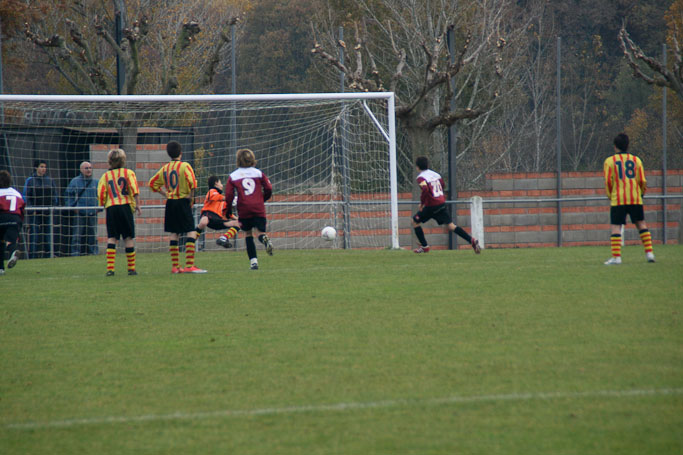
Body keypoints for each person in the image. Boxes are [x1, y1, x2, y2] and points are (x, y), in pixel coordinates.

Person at [149, 141, 207, 274]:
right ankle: (189, 265)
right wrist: (191, 197)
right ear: (181, 153)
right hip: (182, 201)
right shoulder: (185, 166)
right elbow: (192, 183)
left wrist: (165, 194)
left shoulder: (165, 168)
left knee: (174, 233)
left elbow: (152, 183)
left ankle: (175, 266)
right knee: (190, 230)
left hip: (171, 202)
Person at [603, 133, 655, 265]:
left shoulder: (609, 161)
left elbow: (608, 181)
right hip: (635, 198)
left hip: (618, 199)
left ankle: (617, 257)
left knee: (616, 226)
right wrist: (641, 194)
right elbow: (642, 180)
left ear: (615, 146)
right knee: (641, 224)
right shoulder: (636, 160)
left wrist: (610, 195)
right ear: (628, 145)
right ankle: (649, 254)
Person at [412, 156, 481, 254]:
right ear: (427, 165)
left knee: (415, 221)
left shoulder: (421, 177)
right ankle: (472, 240)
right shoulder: (436, 174)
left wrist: (422, 203)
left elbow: (425, 189)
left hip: (431, 205)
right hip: (441, 203)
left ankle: (425, 246)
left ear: (417, 167)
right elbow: (442, 185)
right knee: (451, 226)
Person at [224, 148, 273, 270]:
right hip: (258, 207)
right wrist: (262, 199)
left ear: (238, 160)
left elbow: (229, 195)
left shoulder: (233, 176)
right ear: (252, 159)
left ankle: (253, 262)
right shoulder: (258, 173)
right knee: (260, 233)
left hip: (244, 208)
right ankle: (264, 240)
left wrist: (228, 210)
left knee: (248, 234)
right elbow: (269, 188)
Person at [97, 149, 141, 276]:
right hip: (125, 207)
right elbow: (134, 189)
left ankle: (110, 269)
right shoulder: (128, 173)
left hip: (112, 208)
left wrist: (102, 204)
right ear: (123, 160)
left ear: (109, 161)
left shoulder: (105, 176)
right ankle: (131, 269)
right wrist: (138, 205)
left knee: (112, 237)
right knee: (128, 237)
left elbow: (101, 193)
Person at [23, 159, 58, 258]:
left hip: (47, 211)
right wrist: (30, 209)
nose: (44, 169)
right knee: (34, 234)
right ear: (36, 168)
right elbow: (26, 195)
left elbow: (54, 195)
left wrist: (53, 206)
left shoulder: (50, 180)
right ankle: (32, 256)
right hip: (35, 212)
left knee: (48, 234)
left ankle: (49, 255)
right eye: (41, 167)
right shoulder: (30, 180)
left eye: (45, 167)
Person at [194, 175, 239, 248]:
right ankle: (191, 241)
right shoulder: (212, 191)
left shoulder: (222, 200)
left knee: (239, 223)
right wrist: (230, 198)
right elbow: (217, 197)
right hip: (208, 215)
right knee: (203, 222)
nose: (222, 185)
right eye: (220, 183)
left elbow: (228, 214)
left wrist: (238, 219)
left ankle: (223, 238)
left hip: (217, 220)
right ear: (216, 183)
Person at [65, 161, 99, 256]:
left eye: (90, 168)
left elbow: (101, 196)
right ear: (81, 170)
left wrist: (99, 208)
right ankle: (75, 254)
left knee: (93, 236)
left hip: (92, 213)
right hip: (79, 213)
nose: (89, 170)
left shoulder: (96, 182)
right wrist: (72, 207)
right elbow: (68, 196)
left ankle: (94, 254)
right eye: (86, 168)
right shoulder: (75, 182)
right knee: (77, 236)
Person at [0, 170, 25, 276]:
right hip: (15, 218)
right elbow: (22, 207)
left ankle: (1, 268)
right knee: (11, 241)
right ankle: (13, 252)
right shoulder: (16, 193)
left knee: (0, 242)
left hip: (2, 217)